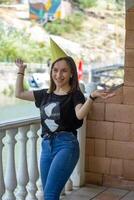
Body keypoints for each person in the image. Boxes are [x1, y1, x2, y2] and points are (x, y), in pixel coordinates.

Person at [15, 40, 115, 200]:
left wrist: (91, 98)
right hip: (46, 146)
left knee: (50, 194)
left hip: (66, 146)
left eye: (63, 71)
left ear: (71, 74)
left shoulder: (75, 94)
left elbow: (80, 115)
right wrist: (21, 71)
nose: (58, 75)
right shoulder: (44, 94)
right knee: (47, 194)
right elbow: (19, 93)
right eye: (55, 70)